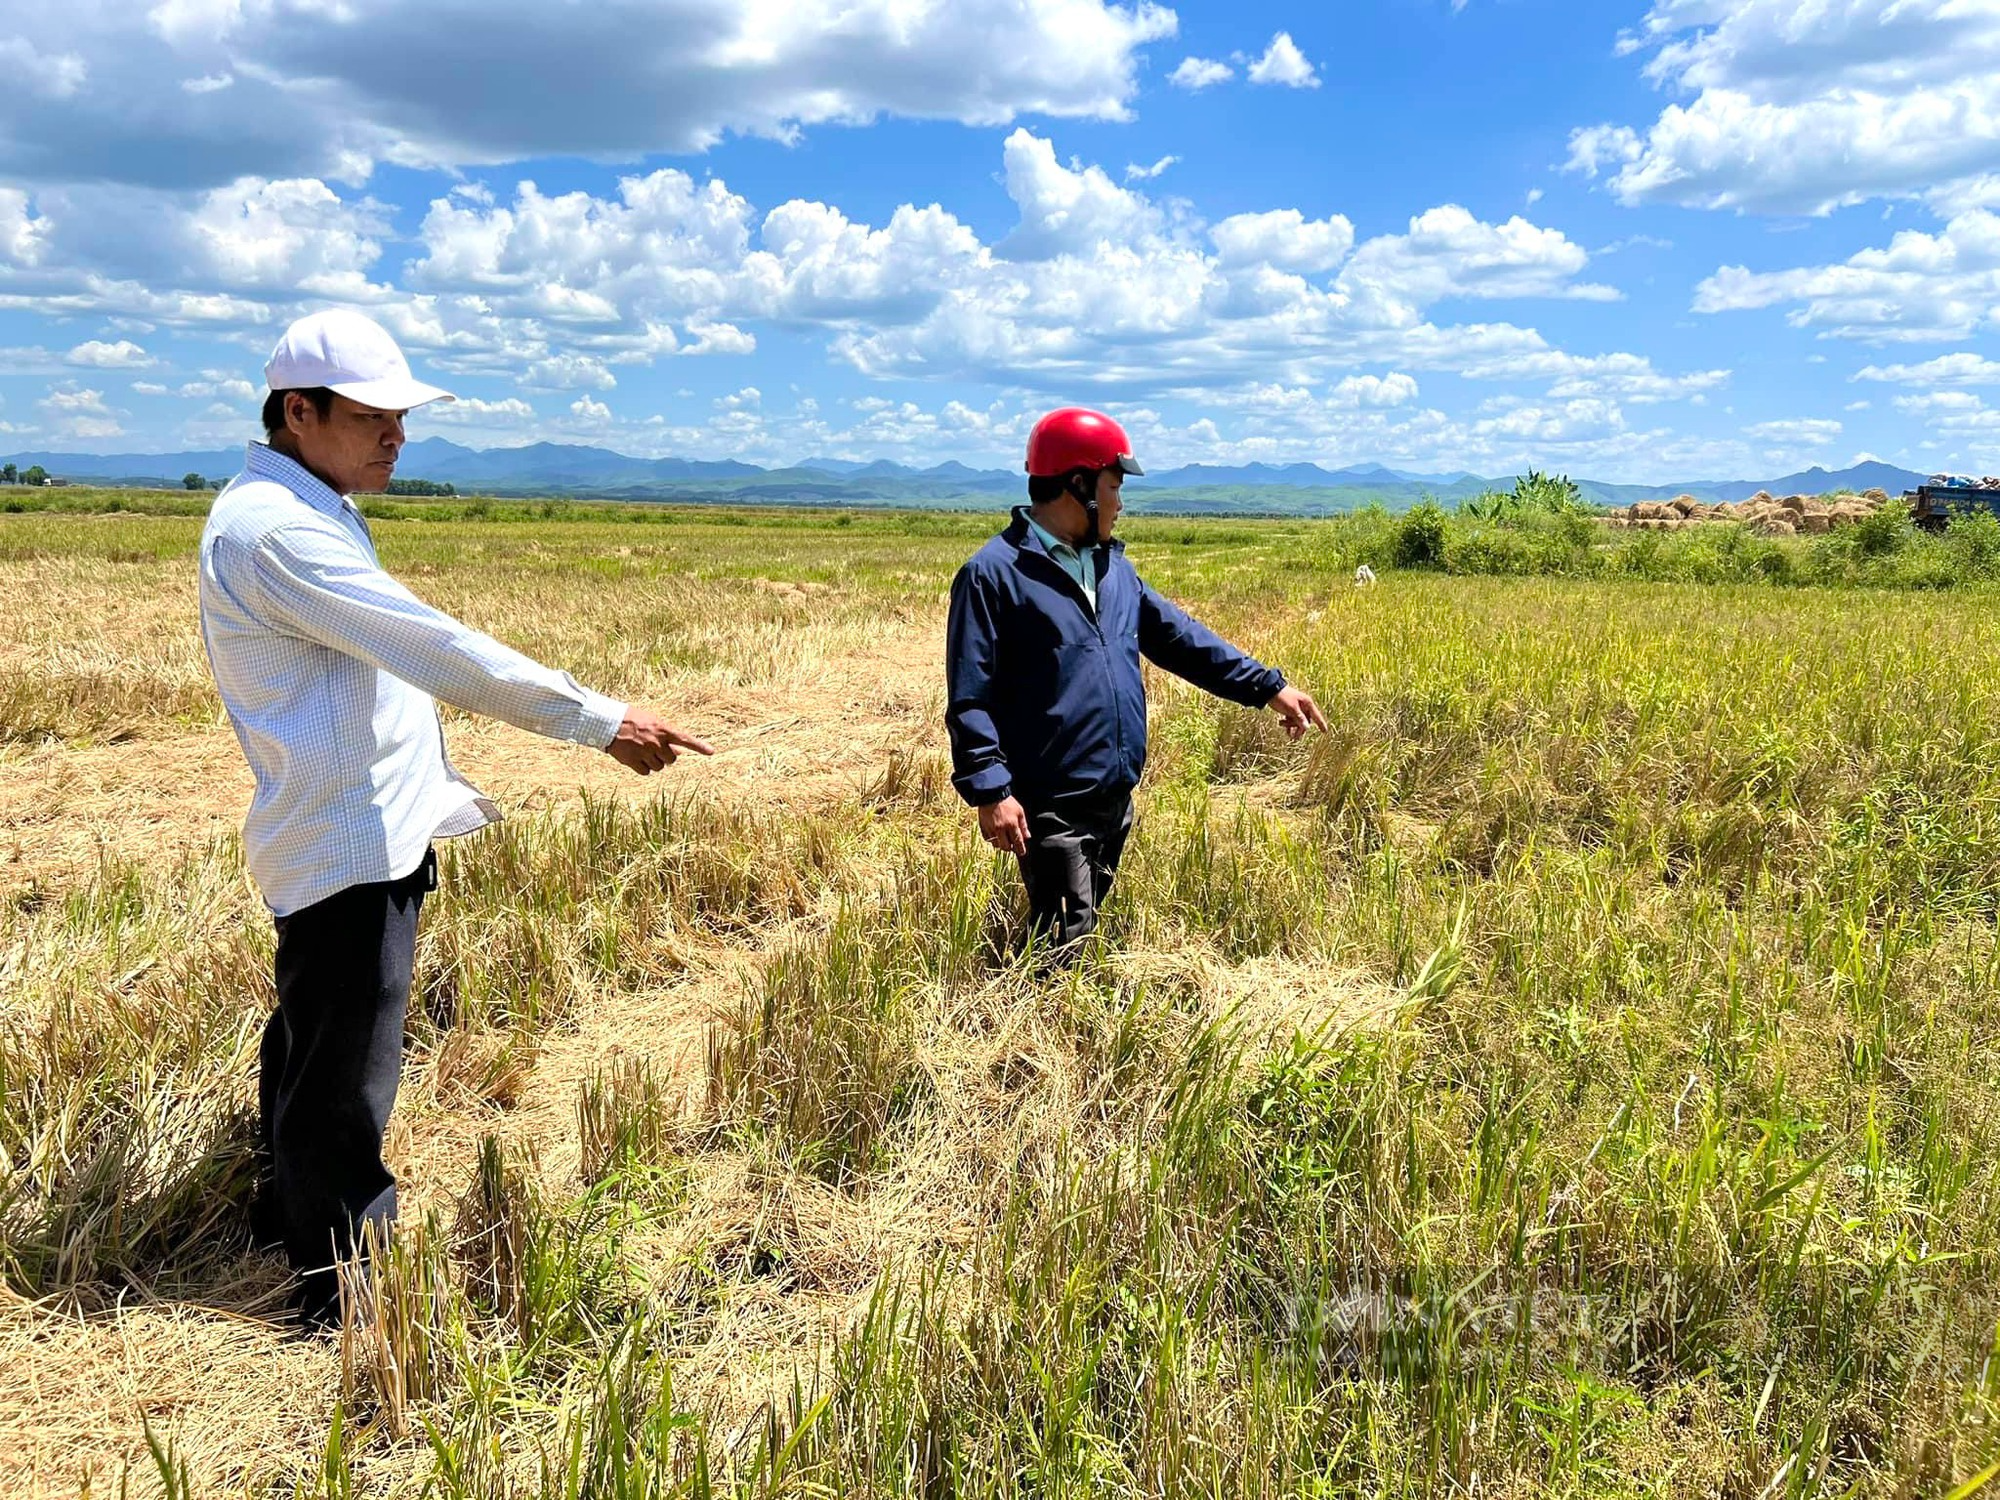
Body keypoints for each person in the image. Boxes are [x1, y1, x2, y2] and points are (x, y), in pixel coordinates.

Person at [197, 308, 714, 1325]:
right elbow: (436, 648)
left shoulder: (301, 508)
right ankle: (344, 1285)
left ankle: (286, 1218)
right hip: (345, 835)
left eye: (402, 416)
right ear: (299, 412)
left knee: (316, 1043)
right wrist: (596, 719)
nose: (398, 436)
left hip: (351, 824)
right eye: (375, 415)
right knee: (345, 1072)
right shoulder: (278, 532)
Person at [945, 407, 1328, 955]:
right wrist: (991, 790)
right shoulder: (995, 574)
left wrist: (1267, 687)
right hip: (1049, 797)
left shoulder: (1113, 570)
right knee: (1065, 941)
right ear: (1078, 485)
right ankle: (1039, 1034)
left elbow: (1182, 640)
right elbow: (970, 695)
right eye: (1114, 486)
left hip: (1113, 790)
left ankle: (1034, 1004)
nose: (1121, 504)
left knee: (1074, 926)